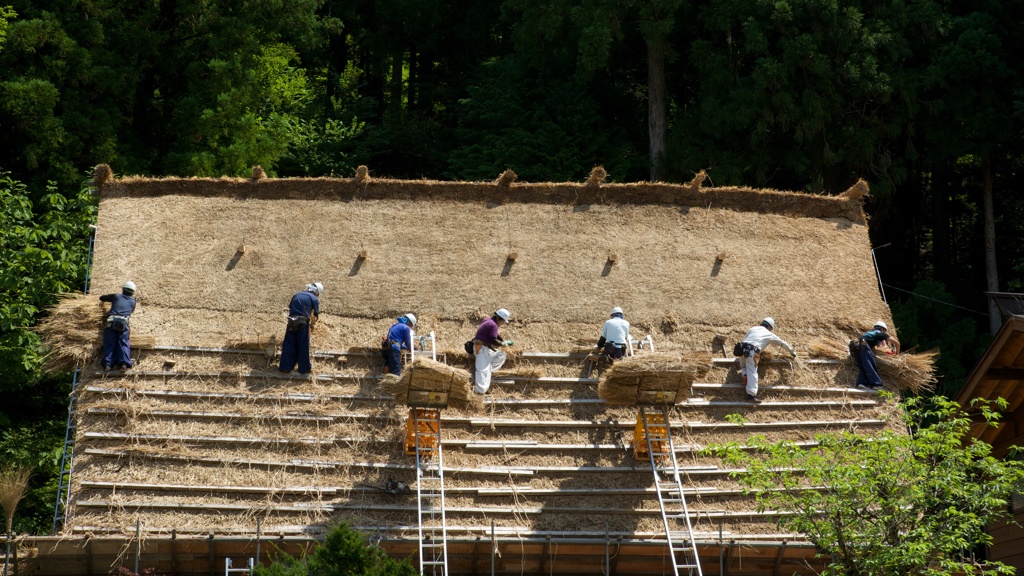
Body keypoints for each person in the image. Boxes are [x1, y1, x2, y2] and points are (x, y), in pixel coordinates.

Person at [738, 317, 796, 403]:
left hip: (741, 350)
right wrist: (792, 351)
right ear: (769, 327)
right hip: (752, 352)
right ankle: (750, 395)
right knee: (752, 371)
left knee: (743, 366)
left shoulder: (753, 328)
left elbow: (744, 340)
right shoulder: (768, 334)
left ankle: (745, 374)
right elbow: (781, 343)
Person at [279, 282, 322, 375]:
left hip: (291, 321)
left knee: (289, 343)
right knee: (303, 345)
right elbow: (315, 315)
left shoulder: (297, 294)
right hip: (303, 322)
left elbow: (291, 308)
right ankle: (304, 369)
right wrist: (312, 326)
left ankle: (285, 367)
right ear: (316, 292)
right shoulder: (314, 298)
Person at [472, 308, 513, 394]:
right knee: (482, 370)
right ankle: (479, 392)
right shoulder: (494, 325)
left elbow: (494, 334)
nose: (503, 323)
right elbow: (492, 339)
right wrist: (502, 344)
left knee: (501, 354)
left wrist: (502, 340)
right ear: (499, 318)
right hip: (481, 348)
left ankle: (489, 368)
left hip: (482, 347)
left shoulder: (488, 320)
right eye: (503, 321)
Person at [851, 320, 901, 391]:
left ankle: (862, 383)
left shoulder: (870, 333)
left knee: (864, 367)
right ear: (883, 329)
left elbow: (873, 349)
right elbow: (897, 343)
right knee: (871, 365)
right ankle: (876, 384)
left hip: (856, 349)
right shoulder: (881, 333)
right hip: (863, 346)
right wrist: (897, 355)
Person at [99, 281, 137, 370]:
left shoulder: (116, 296)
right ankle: (124, 364)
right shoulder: (133, 302)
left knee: (110, 343)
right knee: (123, 343)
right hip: (123, 323)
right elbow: (131, 311)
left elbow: (102, 298)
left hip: (112, 322)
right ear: (133, 292)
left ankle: (108, 364)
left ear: (123, 289)